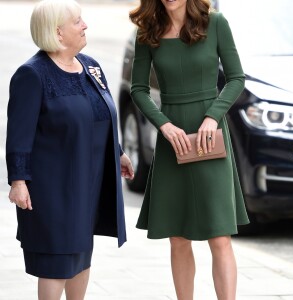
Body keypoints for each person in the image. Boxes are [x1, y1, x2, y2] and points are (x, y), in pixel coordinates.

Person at [6, 0, 134, 299]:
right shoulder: (32, 75)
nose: (85, 25)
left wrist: (117, 154)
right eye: (77, 21)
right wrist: (18, 181)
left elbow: (98, 116)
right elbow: (18, 135)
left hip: (86, 182)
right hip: (52, 187)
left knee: (81, 252)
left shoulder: (91, 66)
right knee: (57, 260)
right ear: (58, 33)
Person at [129, 0, 249, 299]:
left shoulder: (215, 23)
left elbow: (236, 78)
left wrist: (213, 116)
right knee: (178, 237)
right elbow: (138, 89)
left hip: (210, 137)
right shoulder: (148, 30)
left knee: (219, 236)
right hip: (173, 139)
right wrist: (164, 126)